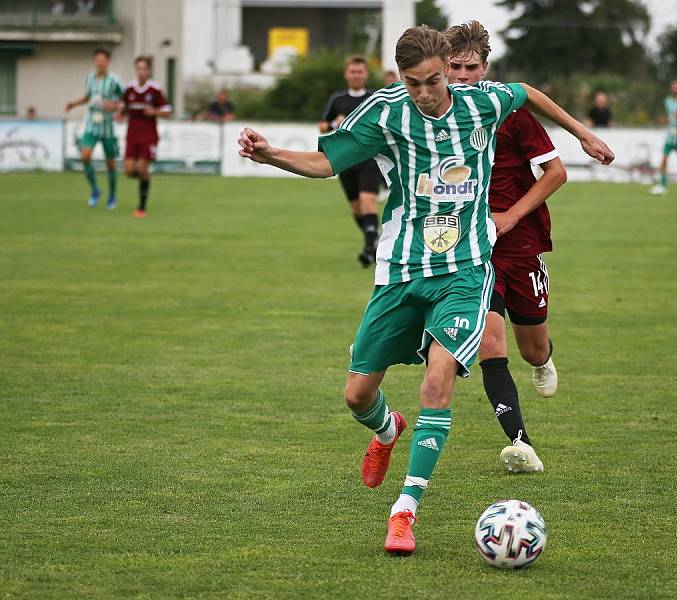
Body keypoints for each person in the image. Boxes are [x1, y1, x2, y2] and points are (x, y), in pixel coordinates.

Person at [238, 25, 614, 557]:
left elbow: (525, 91)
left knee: (438, 384)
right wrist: (270, 153)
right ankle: (388, 430)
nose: (425, 92)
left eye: (434, 81)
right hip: (400, 272)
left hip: (464, 269)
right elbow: (326, 163)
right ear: (401, 77)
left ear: (449, 70)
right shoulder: (385, 111)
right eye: (413, 83)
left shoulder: (482, 102)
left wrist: (582, 134)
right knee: (356, 395)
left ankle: (404, 512)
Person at [446, 20, 569, 474]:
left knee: (531, 349)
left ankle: (545, 358)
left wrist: (512, 216)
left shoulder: (509, 111)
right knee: (488, 342)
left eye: (470, 67)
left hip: (518, 242)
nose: (461, 76)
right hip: (471, 248)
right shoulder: (437, 113)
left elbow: (557, 173)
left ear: (486, 67)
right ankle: (521, 444)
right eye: (453, 67)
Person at [319, 56, 382, 266]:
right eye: (352, 71)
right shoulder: (337, 100)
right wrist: (332, 124)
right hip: (345, 160)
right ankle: (374, 238)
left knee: (368, 202)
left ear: (366, 74)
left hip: (370, 159)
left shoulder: (375, 98)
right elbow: (322, 126)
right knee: (356, 209)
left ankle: (368, 250)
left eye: (360, 71)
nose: (356, 75)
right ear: (346, 74)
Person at [65, 47, 124, 210]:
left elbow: (123, 101)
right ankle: (95, 190)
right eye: (97, 60)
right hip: (91, 125)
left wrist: (114, 108)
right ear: (94, 61)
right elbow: (88, 97)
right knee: (85, 157)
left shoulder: (114, 81)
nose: (100, 63)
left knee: (110, 164)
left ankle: (112, 196)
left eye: (103, 60)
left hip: (107, 127)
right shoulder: (90, 78)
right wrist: (74, 104)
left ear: (108, 62)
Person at [118, 56, 172, 218]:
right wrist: (119, 113)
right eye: (139, 68)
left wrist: (154, 112)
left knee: (141, 168)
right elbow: (122, 105)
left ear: (149, 70)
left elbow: (167, 111)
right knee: (128, 171)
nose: (141, 72)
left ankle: (141, 207)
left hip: (149, 133)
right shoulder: (129, 88)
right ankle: (145, 178)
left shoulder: (155, 89)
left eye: (144, 69)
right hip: (132, 132)